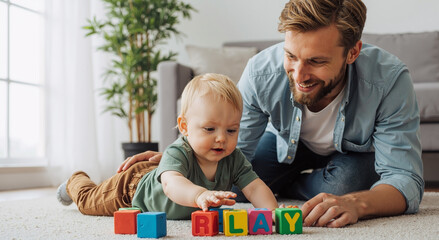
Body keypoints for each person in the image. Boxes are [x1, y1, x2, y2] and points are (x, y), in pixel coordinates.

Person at [120, 0, 424, 228]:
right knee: (234, 188)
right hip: (281, 147)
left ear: (352, 52)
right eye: (291, 56)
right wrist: (188, 156)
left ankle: (293, 185)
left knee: (344, 189)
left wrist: (357, 202)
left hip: (351, 156)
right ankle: (291, 184)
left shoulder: (389, 80)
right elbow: (231, 150)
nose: (299, 74)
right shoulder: (261, 72)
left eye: (316, 61)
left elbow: (404, 179)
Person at [56, 73, 279, 220]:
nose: (222, 138)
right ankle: (75, 181)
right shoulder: (179, 151)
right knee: (88, 202)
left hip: (157, 176)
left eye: (231, 130)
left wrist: (274, 213)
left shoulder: (234, 158)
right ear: (184, 127)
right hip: (131, 190)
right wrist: (200, 195)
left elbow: (255, 187)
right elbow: (172, 185)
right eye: (210, 129)